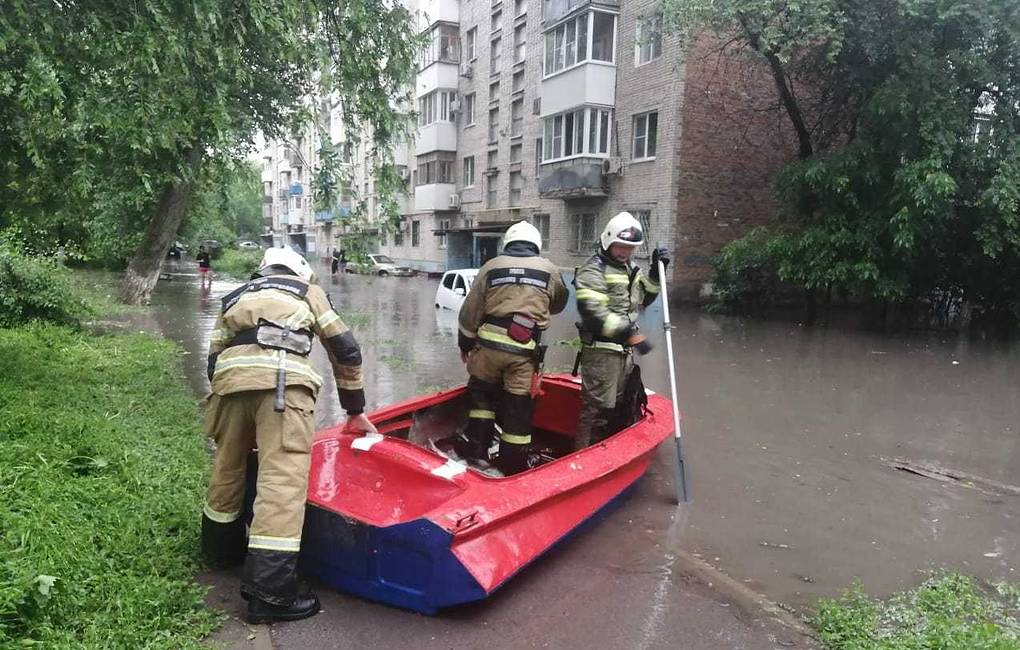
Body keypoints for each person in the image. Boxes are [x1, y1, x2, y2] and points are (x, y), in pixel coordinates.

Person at [201, 245, 377, 624]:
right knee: (281, 483)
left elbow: (214, 357)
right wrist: (354, 410)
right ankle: (270, 595)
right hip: (283, 389)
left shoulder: (235, 295)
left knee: (227, 470)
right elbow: (344, 348)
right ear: (300, 271)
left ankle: (220, 553)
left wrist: (234, 398)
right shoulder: (306, 291)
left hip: (230, 387)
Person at [450, 221, 568, 475]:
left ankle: (477, 456)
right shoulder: (550, 269)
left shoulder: (490, 266)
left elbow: (469, 314)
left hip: (487, 348)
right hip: (523, 352)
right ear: (536, 244)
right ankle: (512, 465)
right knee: (518, 408)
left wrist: (465, 345)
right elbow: (558, 304)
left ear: (507, 244)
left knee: (481, 399)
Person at [574, 212, 670, 449]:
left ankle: (607, 456)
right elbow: (593, 313)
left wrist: (657, 273)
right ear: (608, 241)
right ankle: (583, 460)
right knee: (596, 412)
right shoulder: (592, 270)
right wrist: (631, 335)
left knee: (617, 408)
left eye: (630, 247)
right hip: (601, 353)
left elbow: (645, 299)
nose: (625, 251)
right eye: (621, 246)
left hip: (623, 354)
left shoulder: (631, 269)